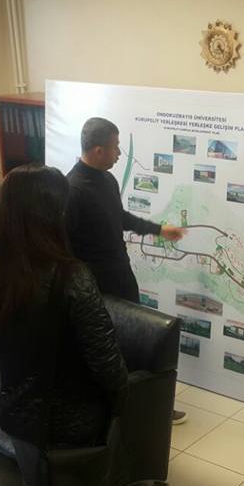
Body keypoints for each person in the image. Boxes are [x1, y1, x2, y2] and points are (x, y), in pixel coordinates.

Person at [0, 165, 128, 486]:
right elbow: (108, 364)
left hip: (20, 415)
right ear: (52, 215)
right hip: (75, 421)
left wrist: (22, 373)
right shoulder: (73, 276)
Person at [66, 116, 187, 424]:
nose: (119, 153)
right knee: (105, 348)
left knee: (138, 344)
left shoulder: (107, 180)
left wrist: (159, 230)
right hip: (95, 287)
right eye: (115, 147)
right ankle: (116, 408)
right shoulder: (72, 189)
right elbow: (65, 247)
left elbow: (119, 218)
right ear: (98, 150)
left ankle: (149, 406)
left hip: (121, 276)